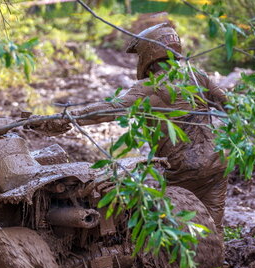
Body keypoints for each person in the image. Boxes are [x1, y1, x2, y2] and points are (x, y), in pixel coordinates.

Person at [28, 23, 228, 231]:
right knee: (214, 224)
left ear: (148, 53)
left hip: (185, 169)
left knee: (178, 225)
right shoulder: (197, 75)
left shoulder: (150, 87)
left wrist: (66, 118)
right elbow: (229, 104)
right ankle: (215, 259)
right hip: (216, 161)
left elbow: (108, 110)